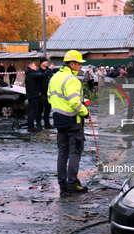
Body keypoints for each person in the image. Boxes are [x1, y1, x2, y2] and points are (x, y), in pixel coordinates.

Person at [47, 50, 89, 194]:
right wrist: (85, 112)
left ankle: (62, 185)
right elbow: (75, 102)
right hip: (73, 121)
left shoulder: (54, 77)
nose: (80, 67)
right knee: (75, 153)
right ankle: (72, 185)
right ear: (71, 64)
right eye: (78, 64)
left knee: (62, 153)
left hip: (59, 120)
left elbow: (49, 98)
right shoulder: (72, 79)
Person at [25, 62, 52, 132]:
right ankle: (31, 127)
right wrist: (50, 69)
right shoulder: (32, 74)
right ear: (31, 67)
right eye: (34, 65)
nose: (35, 66)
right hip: (34, 95)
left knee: (32, 111)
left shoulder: (29, 74)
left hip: (32, 94)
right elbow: (43, 75)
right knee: (33, 111)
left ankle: (31, 126)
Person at [37, 57, 55, 129]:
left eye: (47, 61)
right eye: (45, 61)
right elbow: (39, 79)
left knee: (48, 109)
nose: (46, 62)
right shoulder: (38, 71)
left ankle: (47, 124)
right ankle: (38, 124)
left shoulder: (49, 71)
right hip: (41, 93)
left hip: (48, 93)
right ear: (41, 63)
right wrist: (38, 91)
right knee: (40, 109)